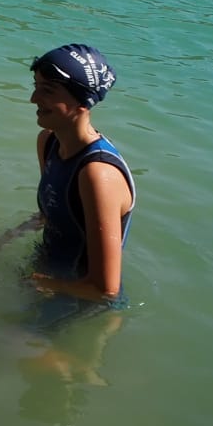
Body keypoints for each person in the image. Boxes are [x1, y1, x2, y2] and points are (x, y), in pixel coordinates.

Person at [27, 44, 134, 303]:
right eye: (35, 85)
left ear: (82, 101)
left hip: (81, 306)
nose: (33, 98)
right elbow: (51, 213)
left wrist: (41, 283)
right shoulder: (48, 143)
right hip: (46, 279)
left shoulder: (98, 175)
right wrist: (6, 238)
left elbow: (105, 290)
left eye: (47, 91)